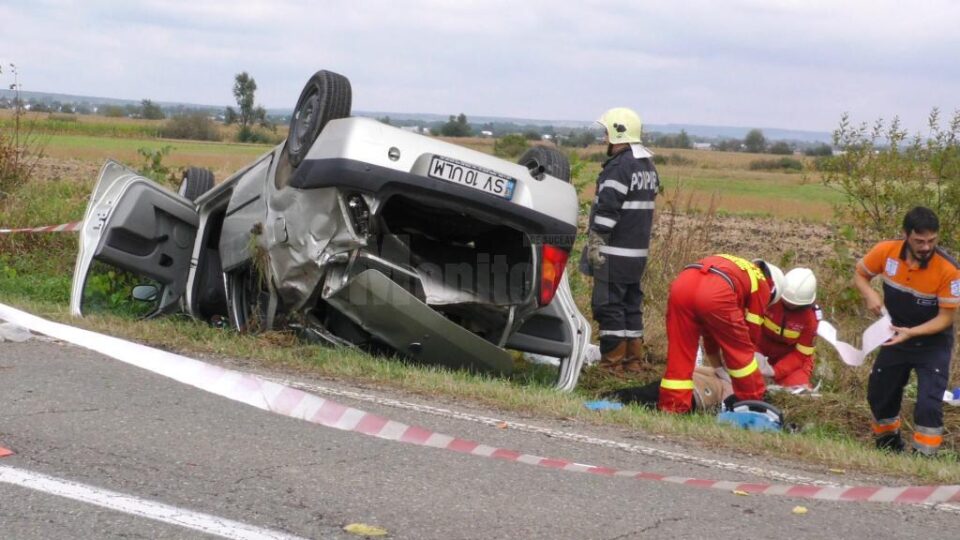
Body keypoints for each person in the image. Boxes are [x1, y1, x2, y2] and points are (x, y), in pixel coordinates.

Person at [853, 206, 960, 456]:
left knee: (927, 403)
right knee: (880, 392)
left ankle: (924, 457)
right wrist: (870, 294)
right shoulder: (885, 251)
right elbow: (860, 275)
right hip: (893, 336)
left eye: (931, 241)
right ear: (905, 235)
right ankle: (888, 446)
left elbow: (946, 319)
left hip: (932, 344)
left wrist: (912, 332)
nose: (926, 247)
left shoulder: (949, 270)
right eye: (919, 241)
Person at [580, 107, 659, 375]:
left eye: (607, 133)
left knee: (609, 308)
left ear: (618, 133)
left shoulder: (619, 168)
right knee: (630, 308)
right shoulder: (647, 166)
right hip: (637, 256)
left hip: (613, 254)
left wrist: (594, 248)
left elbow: (606, 213)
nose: (605, 139)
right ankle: (632, 362)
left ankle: (611, 366)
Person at [658, 254, 784, 413]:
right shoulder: (763, 285)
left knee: (680, 353)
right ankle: (753, 405)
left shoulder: (739, 266)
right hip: (717, 290)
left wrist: (718, 368)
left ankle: (673, 406)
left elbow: (710, 333)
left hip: (682, 284)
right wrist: (740, 372)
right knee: (742, 354)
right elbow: (748, 339)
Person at [755, 267, 821, 389]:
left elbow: (801, 354)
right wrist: (755, 352)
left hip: (789, 358)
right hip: (759, 347)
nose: (788, 304)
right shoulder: (769, 297)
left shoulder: (811, 318)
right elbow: (749, 327)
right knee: (740, 375)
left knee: (798, 390)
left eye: (793, 304)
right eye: (785, 300)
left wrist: (776, 371)